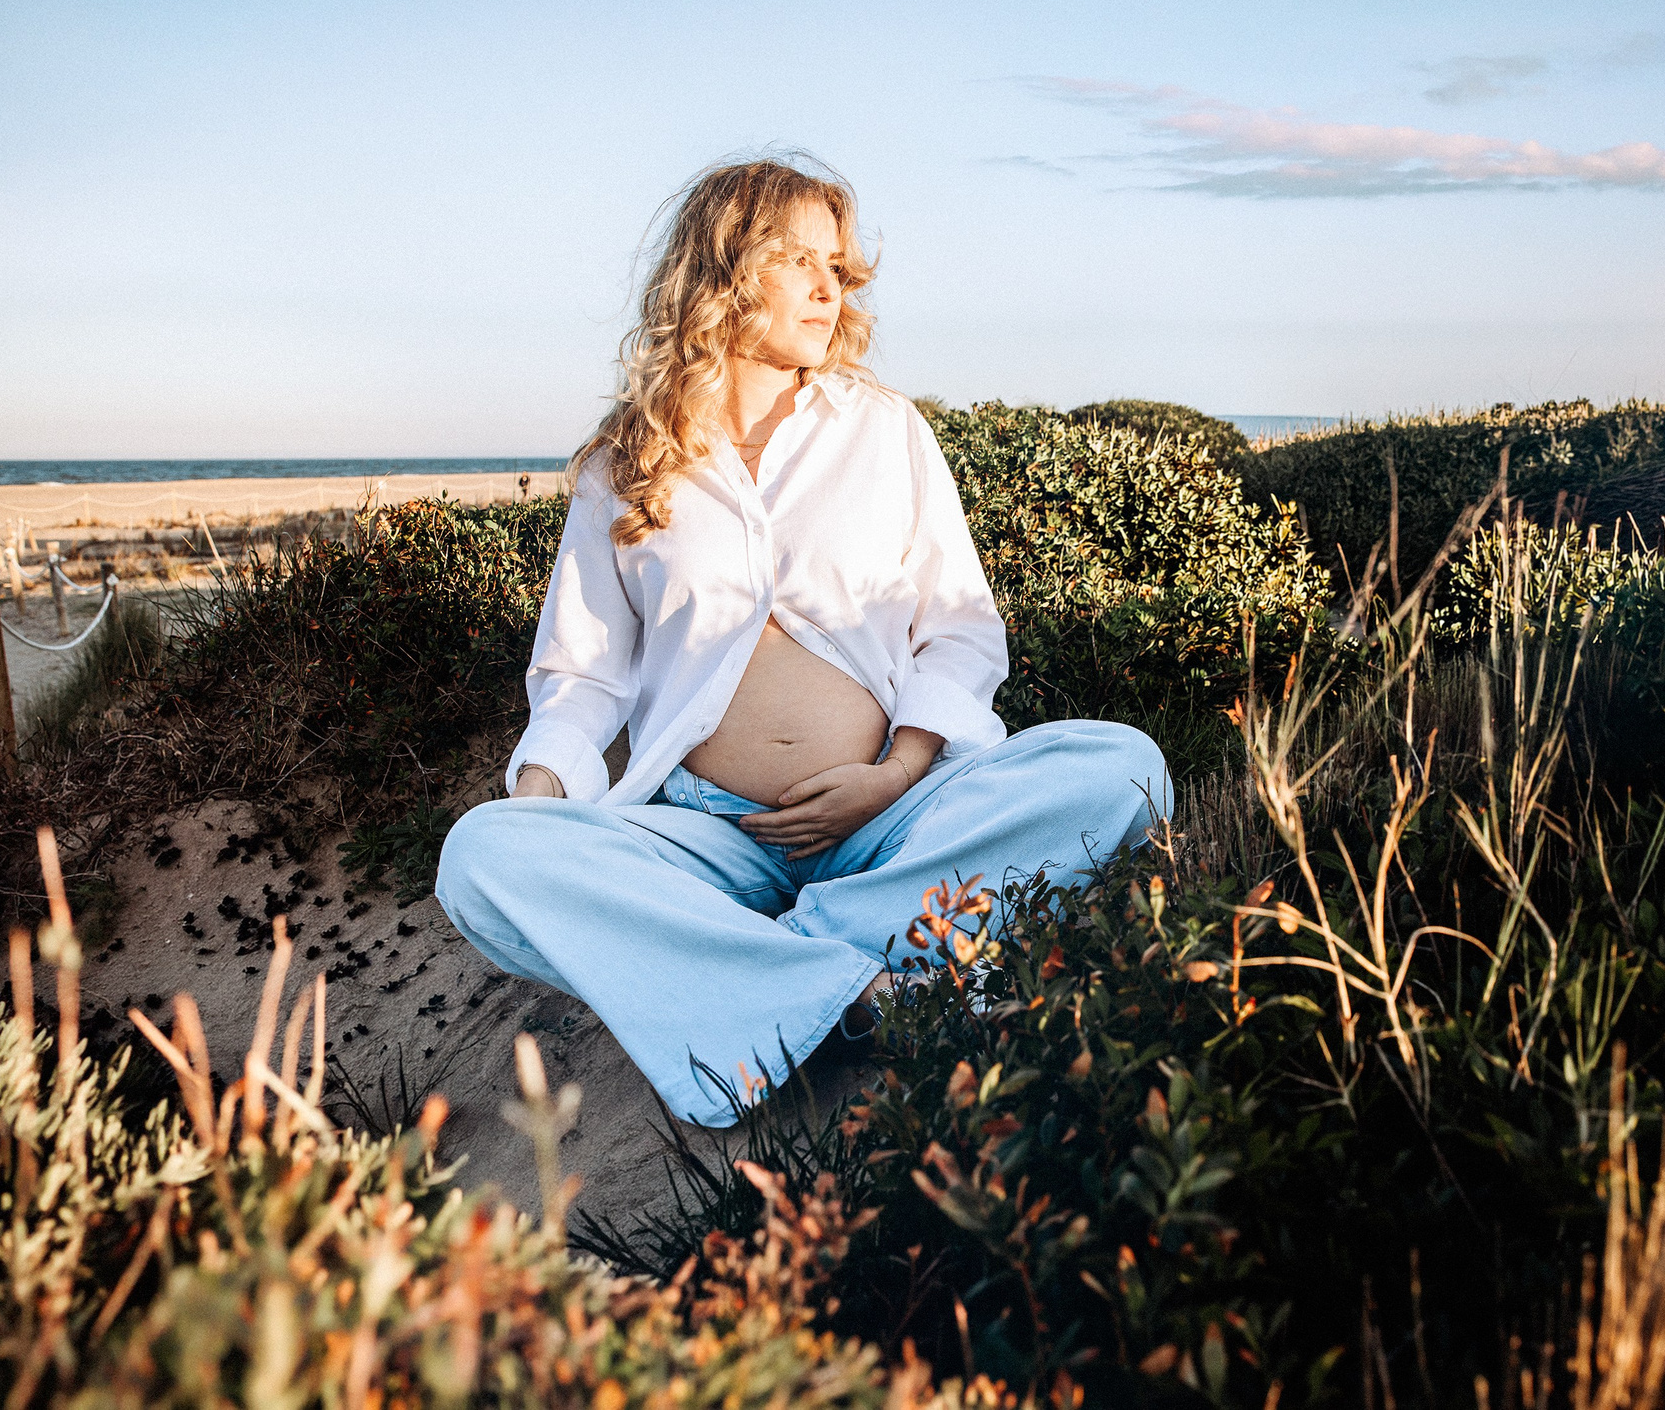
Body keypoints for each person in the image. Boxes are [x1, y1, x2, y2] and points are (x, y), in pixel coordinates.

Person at [435, 155, 1173, 1127]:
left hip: (888, 815)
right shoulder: (629, 461)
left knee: (1124, 766)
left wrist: (898, 771)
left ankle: (790, 961)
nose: (830, 287)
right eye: (798, 261)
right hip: (706, 834)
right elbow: (580, 674)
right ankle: (867, 989)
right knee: (483, 858)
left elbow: (955, 632)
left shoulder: (883, 432)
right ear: (722, 273)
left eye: (840, 267)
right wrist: (544, 812)